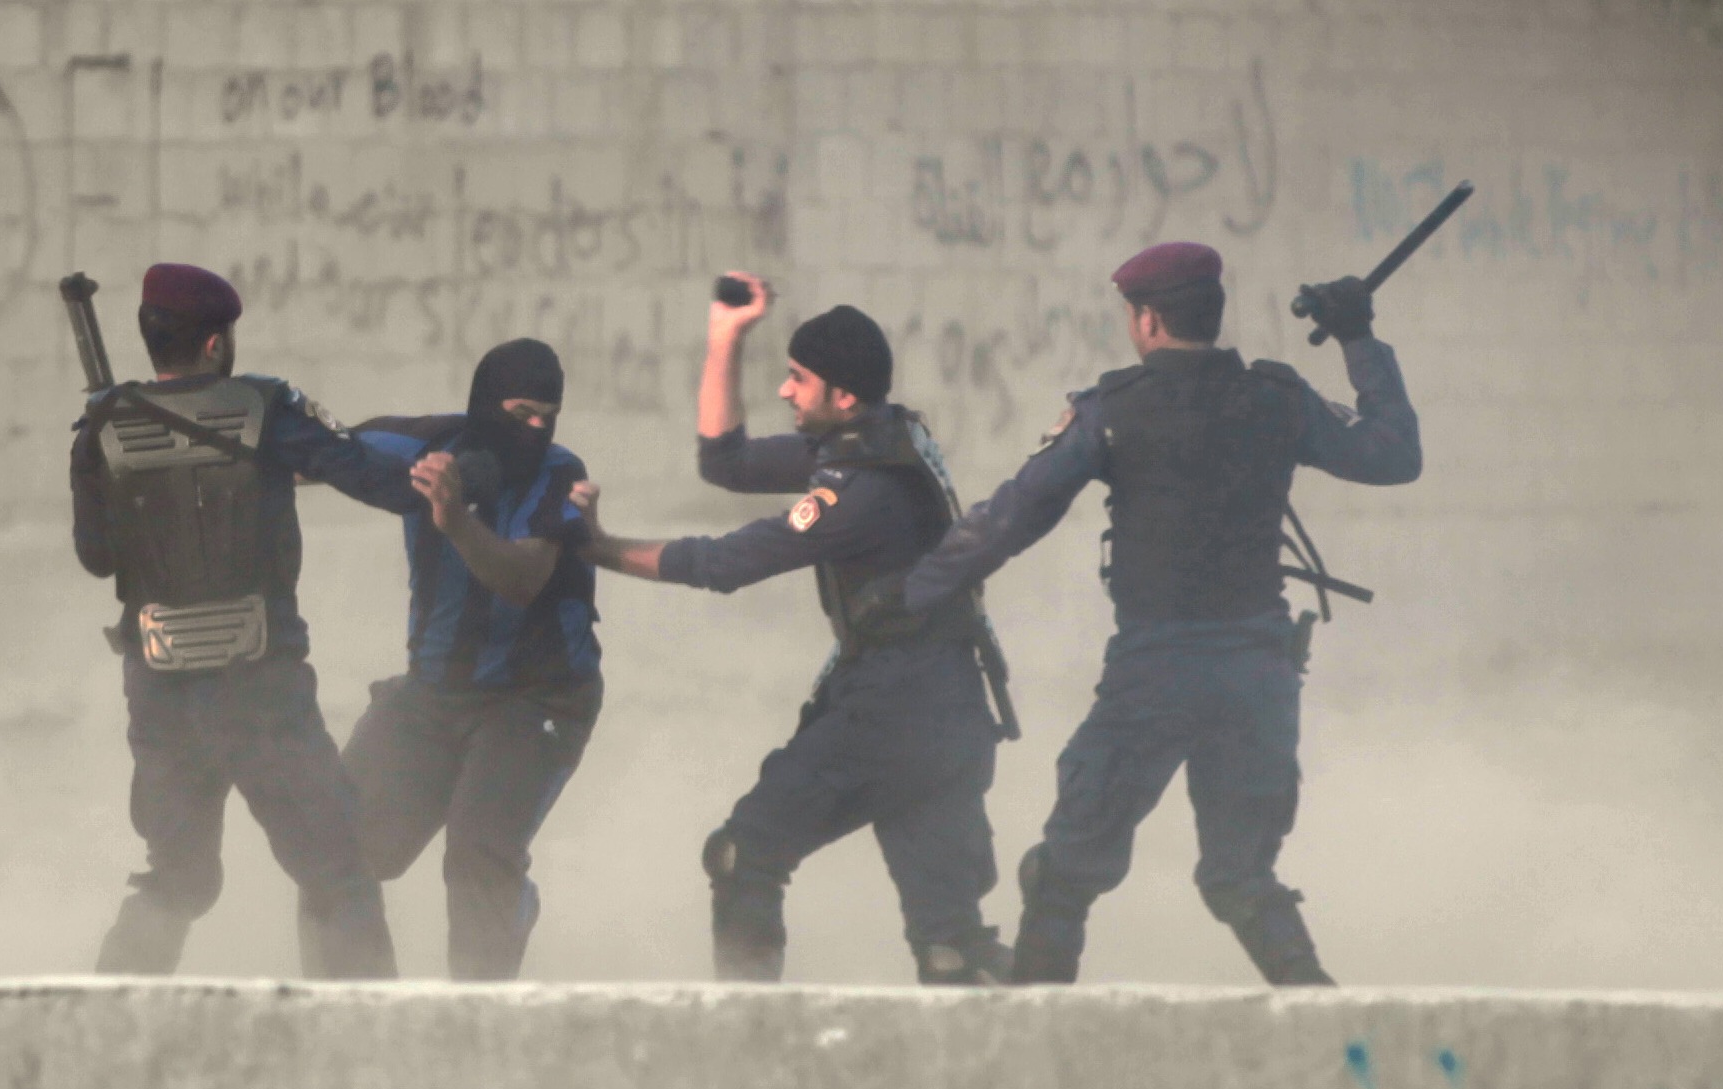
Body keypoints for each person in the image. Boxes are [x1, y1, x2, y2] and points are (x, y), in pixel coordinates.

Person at [901, 241, 1422, 987]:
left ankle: (1032, 1046)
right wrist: (1358, 338)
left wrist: (910, 596)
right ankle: (1333, 1040)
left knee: (1064, 875)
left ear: (1146, 320)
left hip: (1156, 674)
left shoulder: (1113, 410)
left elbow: (1013, 516)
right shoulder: (1278, 398)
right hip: (1258, 672)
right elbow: (1392, 454)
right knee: (1240, 878)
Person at [569, 277, 1013, 985]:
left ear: (841, 395)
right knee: (951, 946)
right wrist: (726, 336)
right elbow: (725, 461)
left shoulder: (859, 487)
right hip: (945, 713)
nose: (783, 390)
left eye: (797, 379)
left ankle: (747, 1041)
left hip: (895, 709)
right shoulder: (882, 439)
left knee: (743, 855)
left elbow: (723, 563)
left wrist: (597, 548)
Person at [69, 262, 420, 978]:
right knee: (337, 873)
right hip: (259, 689)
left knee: (177, 882)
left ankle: (105, 1030)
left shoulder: (101, 425)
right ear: (213, 345)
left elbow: (97, 557)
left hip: (160, 691)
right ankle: (369, 1050)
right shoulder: (265, 409)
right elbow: (374, 478)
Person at [338, 340, 601, 980]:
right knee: (333, 846)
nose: (535, 429)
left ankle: (477, 1024)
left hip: (537, 700)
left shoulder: (561, 475)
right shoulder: (423, 446)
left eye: (548, 415)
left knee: (479, 855)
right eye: (520, 411)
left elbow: (522, 579)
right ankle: (355, 1010)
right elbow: (309, 455)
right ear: (485, 406)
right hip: (432, 694)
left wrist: (454, 519)